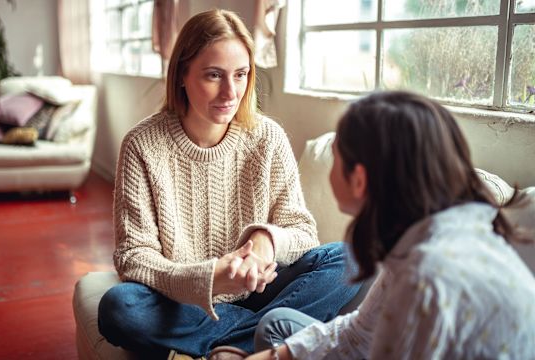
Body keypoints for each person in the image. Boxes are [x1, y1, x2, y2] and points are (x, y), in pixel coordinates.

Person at [96, 8, 361, 360]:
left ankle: (233, 344)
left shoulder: (267, 137)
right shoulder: (142, 145)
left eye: (241, 74)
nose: (230, 91)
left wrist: (265, 242)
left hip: (263, 286)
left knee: (349, 257)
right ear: (182, 76)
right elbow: (134, 258)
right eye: (213, 75)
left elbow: (301, 229)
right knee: (119, 307)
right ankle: (264, 338)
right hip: (185, 300)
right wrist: (212, 278)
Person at [246, 91, 535, 359]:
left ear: (359, 180)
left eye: (336, 154)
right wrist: (275, 356)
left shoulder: (426, 277)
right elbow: (360, 333)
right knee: (277, 326)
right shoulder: (429, 234)